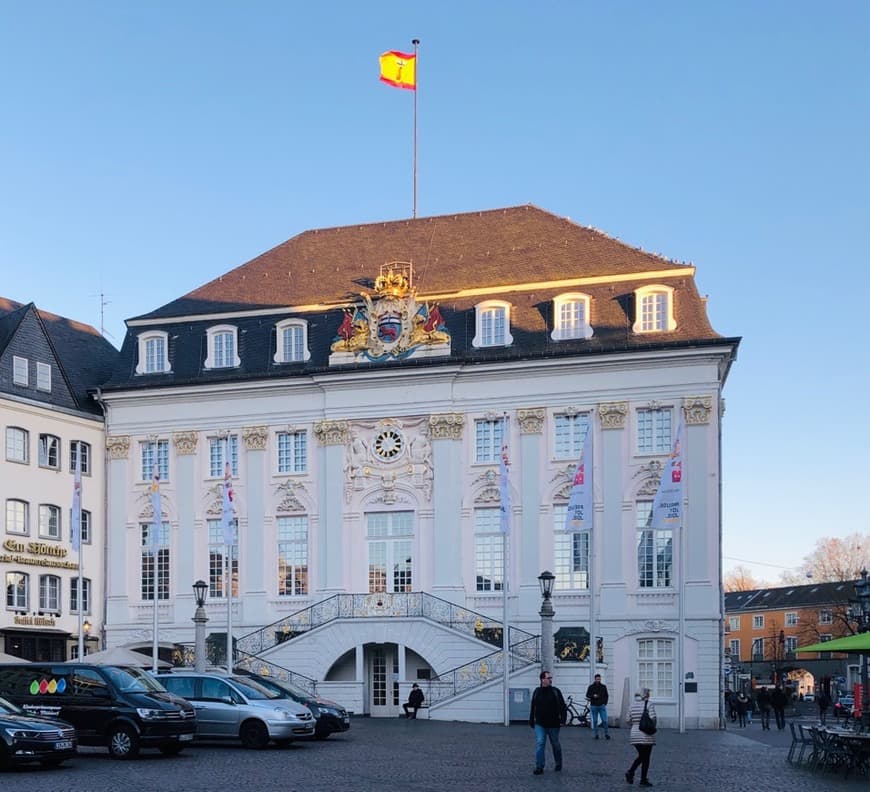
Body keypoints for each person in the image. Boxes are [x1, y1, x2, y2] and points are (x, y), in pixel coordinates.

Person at [529, 670, 567, 775]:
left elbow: (563, 706)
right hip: (540, 723)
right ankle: (539, 766)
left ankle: (558, 763)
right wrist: (531, 719)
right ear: (542, 680)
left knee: (555, 744)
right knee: (540, 743)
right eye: (548, 678)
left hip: (554, 724)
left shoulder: (555, 691)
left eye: (551, 678)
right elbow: (533, 706)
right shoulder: (537, 691)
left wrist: (563, 720)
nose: (551, 680)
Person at [625, 687, 656, 787]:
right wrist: (652, 726)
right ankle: (638, 777)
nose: (649, 695)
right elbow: (653, 718)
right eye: (648, 693)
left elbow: (627, 720)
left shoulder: (631, 705)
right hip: (646, 734)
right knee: (645, 758)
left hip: (634, 734)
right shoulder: (649, 704)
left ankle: (633, 773)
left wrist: (634, 725)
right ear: (646, 695)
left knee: (642, 756)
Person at [586, 672, 610, 740]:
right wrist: (593, 696)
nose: (598, 680)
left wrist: (605, 703)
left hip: (602, 705)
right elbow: (587, 695)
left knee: (605, 720)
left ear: (600, 679)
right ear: (595, 679)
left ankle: (606, 734)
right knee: (595, 721)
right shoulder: (591, 687)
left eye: (599, 679)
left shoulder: (603, 687)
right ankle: (596, 734)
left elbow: (606, 695)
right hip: (594, 705)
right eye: (597, 679)